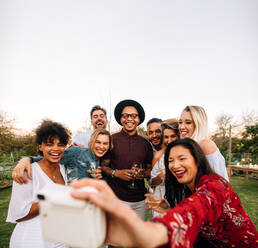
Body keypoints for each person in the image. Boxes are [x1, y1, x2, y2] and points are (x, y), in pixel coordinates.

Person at [71, 138, 258, 248]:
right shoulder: (188, 187)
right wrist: (168, 209)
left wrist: (149, 232)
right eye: (170, 160)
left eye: (182, 158)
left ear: (198, 160)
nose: (175, 165)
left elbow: (195, 209)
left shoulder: (213, 185)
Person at [6, 120, 71, 248]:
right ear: (40, 146)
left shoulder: (64, 170)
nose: (56, 149)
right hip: (32, 240)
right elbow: (18, 214)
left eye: (61, 144)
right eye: (49, 144)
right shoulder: (28, 172)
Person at [102, 99, 153, 220]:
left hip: (139, 201)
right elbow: (103, 167)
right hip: (116, 198)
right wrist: (117, 173)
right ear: (121, 119)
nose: (129, 119)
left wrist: (143, 174)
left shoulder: (145, 143)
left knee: (137, 236)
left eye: (134, 116)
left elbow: (149, 170)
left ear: (138, 119)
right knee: (118, 237)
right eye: (125, 115)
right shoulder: (111, 140)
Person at [12, 128, 112, 184]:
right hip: (70, 202)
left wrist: (96, 180)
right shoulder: (77, 151)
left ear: (109, 145)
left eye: (105, 143)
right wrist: (26, 159)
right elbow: (48, 159)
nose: (101, 147)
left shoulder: (102, 161)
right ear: (92, 142)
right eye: (98, 142)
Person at [179, 105, 229, 181]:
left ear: (199, 124)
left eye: (188, 122)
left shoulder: (206, 145)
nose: (181, 127)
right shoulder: (185, 147)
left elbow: (221, 180)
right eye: (180, 122)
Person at [149, 118, 179, 217]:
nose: (169, 140)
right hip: (160, 201)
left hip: (178, 200)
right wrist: (159, 178)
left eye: (173, 136)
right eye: (166, 137)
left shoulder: (184, 154)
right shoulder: (158, 156)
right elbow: (151, 183)